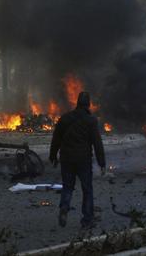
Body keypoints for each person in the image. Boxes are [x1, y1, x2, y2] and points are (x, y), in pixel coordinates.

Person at [49, 91, 106, 229]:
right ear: (88, 104)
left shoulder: (65, 118)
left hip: (66, 158)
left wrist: (53, 156)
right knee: (87, 189)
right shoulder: (91, 120)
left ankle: (64, 207)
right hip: (83, 159)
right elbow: (97, 143)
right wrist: (102, 163)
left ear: (77, 103)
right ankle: (87, 220)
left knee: (68, 186)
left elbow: (56, 139)